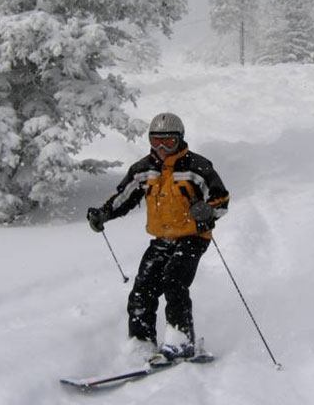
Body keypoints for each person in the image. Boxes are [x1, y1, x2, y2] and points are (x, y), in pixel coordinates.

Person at [86, 112, 229, 363]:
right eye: (156, 141)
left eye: (169, 142)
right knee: (143, 288)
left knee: (174, 280)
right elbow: (125, 197)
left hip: (193, 236)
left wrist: (208, 213)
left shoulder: (197, 167)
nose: (162, 148)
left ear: (180, 140)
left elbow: (221, 199)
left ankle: (180, 341)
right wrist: (104, 214)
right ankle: (141, 342)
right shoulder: (144, 169)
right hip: (162, 238)